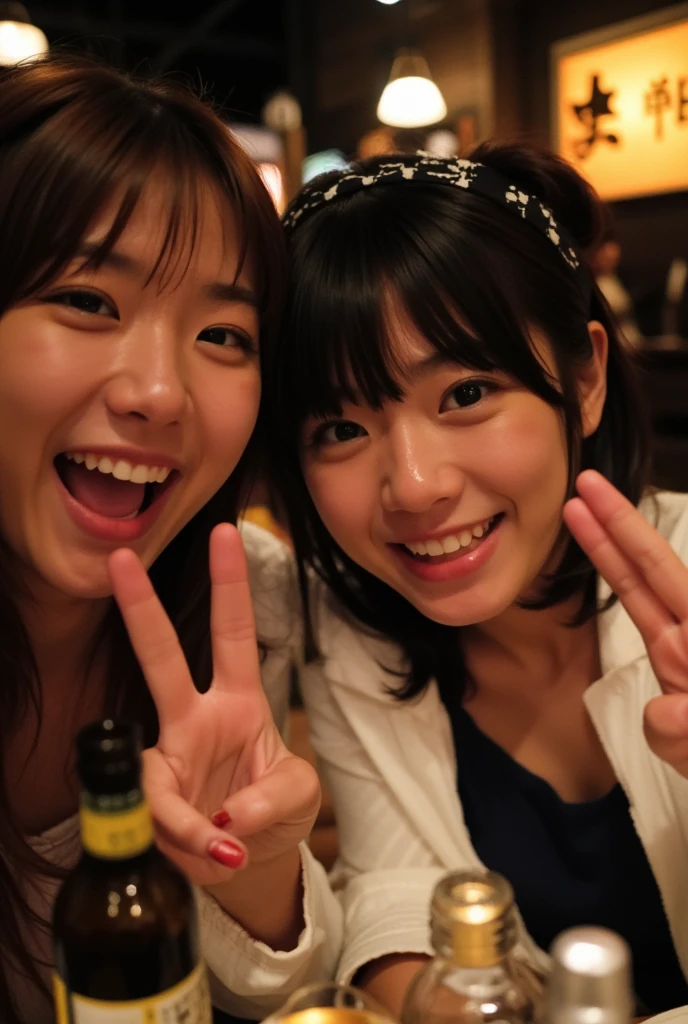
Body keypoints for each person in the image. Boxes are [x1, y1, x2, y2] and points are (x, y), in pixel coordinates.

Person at [265, 146, 688, 1016]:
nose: (414, 485)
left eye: (465, 394)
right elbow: (392, 885)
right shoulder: (348, 625)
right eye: (341, 428)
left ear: (586, 377)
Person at [0, 54, 341, 1024]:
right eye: (89, 301)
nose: (159, 391)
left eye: (223, 335)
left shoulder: (242, 594)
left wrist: (262, 878)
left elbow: (263, 988)